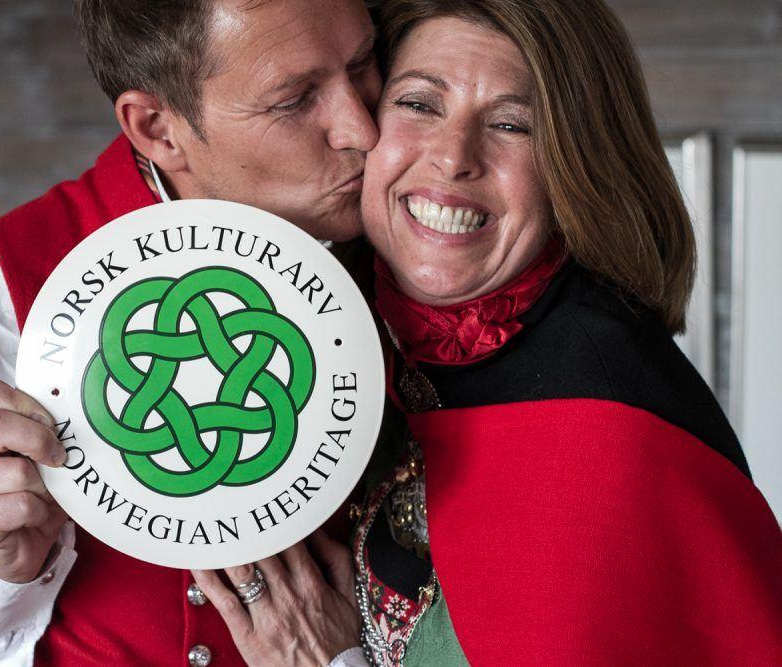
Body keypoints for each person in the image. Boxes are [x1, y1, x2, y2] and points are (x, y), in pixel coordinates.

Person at [0, 1, 383, 665]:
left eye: (363, 64)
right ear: (157, 129)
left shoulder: (426, 253)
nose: (363, 127)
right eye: (294, 99)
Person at [196, 0, 782, 664]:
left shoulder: (611, 434)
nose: (451, 159)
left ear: (573, 167)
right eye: (419, 105)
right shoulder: (325, 338)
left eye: (511, 124)